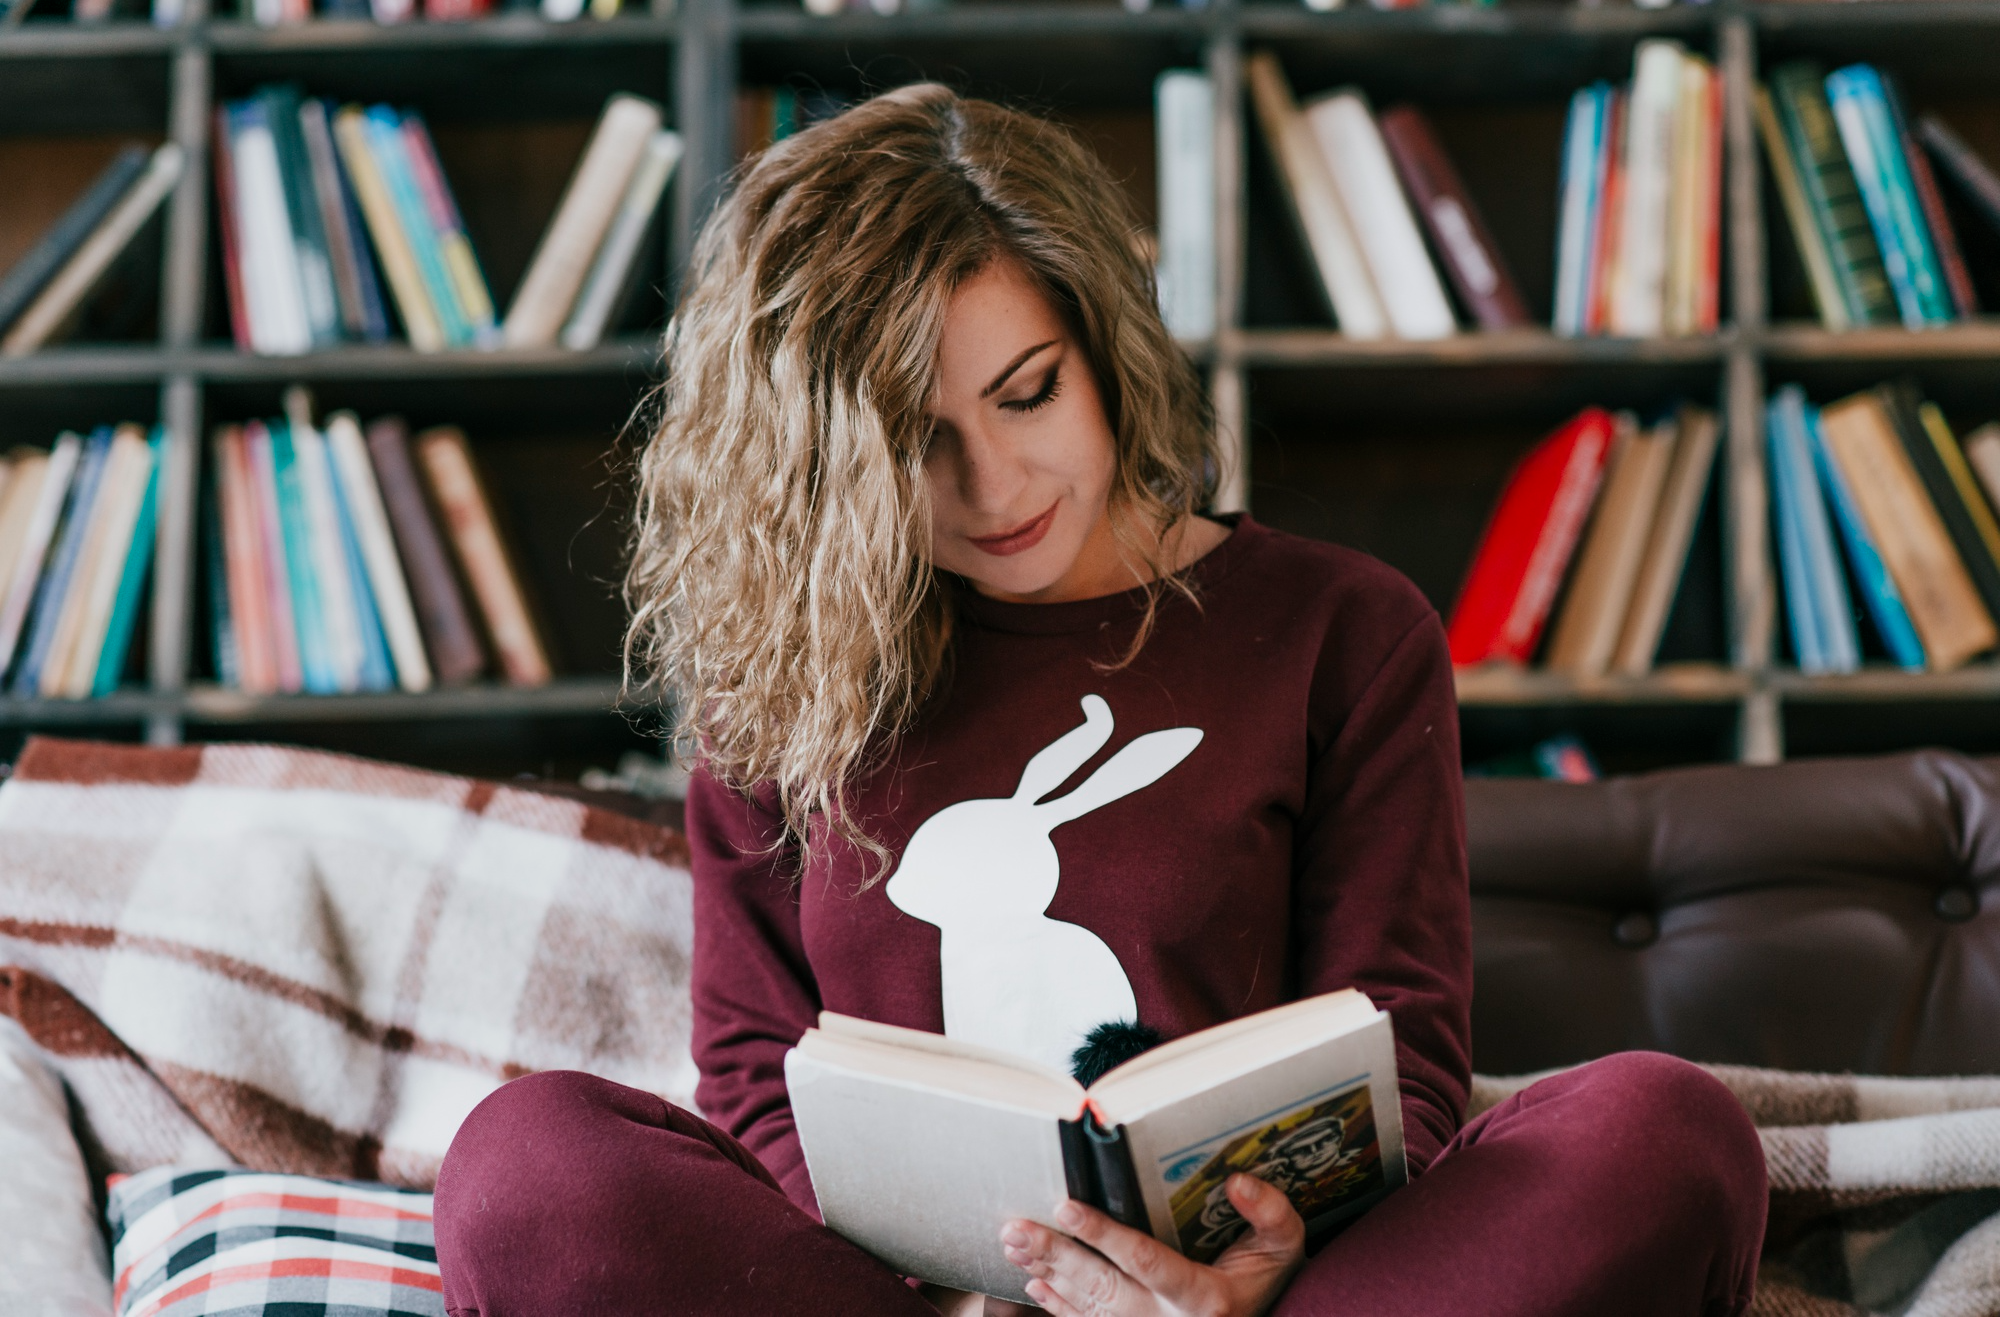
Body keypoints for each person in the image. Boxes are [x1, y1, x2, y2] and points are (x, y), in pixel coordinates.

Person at [431, 83, 1767, 1317]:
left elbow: (1399, 1061)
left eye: (1029, 394)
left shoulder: (1342, 630)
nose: (999, 488)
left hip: (1275, 1292)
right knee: (524, 1167)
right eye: (917, 446)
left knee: (1661, 1135)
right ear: (827, 465)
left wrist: (1247, 1274)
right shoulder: (782, 668)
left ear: (1102, 342)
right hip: (897, 1293)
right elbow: (751, 1070)